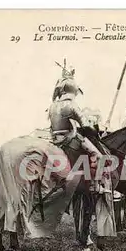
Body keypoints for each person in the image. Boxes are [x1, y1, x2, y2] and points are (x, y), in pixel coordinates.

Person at [48, 65, 110, 194]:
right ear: (74, 91)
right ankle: (95, 185)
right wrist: (98, 129)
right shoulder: (72, 105)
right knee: (97, 155)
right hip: (69, 139)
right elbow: (86, 125)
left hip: (54, 139)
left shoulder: (53, 105)